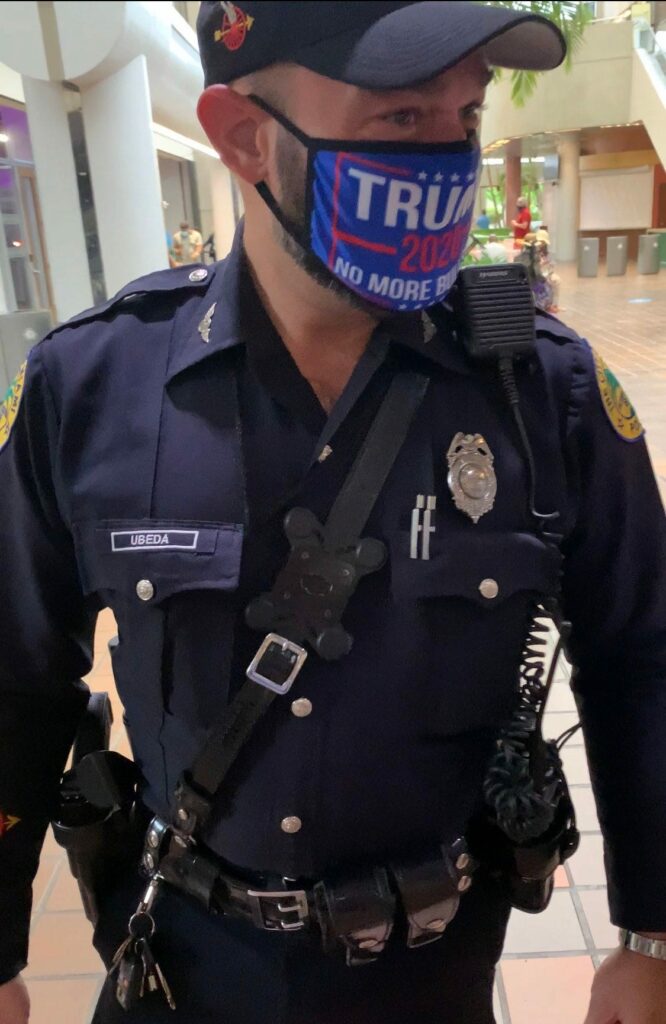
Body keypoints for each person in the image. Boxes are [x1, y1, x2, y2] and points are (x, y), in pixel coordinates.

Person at [1, 4, 665, 1024]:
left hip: (433, 980)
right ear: (240, 135)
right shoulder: (88, 390)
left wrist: (652, 934)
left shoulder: (543, 392)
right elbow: (14, 675)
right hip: (185, 971)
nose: (449, 156)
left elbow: (643, 656)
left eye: (466, 114)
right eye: (403, 120)